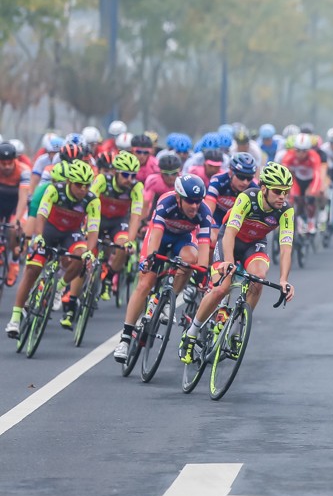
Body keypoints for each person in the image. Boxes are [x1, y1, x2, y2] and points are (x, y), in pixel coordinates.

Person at [178, 163, 295, 363]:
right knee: (221, 288)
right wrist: (229, 263)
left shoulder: (286, 211)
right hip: (230, 240)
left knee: (258, 279)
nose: (282, 196)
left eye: (286, 191)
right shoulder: (247, 198)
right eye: (277, 191)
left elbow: (285, 248)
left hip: (254, 244)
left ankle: (236, 330)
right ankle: (191, 333)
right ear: (264, 188)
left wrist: (284, 280)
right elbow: (230, 233)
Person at [112, 174, 214, 362]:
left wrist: (203, 273)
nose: (194, 206)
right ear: (178, 197)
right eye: (189, 201)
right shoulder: (166, 202)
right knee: (145, 283)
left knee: (191, 260)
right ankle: (125, 338)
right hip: (160, 237)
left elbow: (204, 244)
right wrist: (150, 259)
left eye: (197, 201)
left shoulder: (204, 211)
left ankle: (169, 300)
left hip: (182, 239)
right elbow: (156, 232)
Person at [6, 160, 100, 335]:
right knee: (32, 270)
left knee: (80, 257)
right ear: (70, 182)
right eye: (79, 185)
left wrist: (89, 251)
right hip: (48, 230)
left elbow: (93, 228)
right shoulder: (54, 190)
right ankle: (15, 318)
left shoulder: (92, 200)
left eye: (87, 185)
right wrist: (39, 236)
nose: (83, 189)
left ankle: (59, 288)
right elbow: (41, 215)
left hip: (71, 234)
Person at [89, 151, 144, 300]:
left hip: (118, 223)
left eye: (133, 175)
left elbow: (135, 216)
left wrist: (131, 241)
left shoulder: (136, 187)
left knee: (124, 246)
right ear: (115, 172)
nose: (130, 179)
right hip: (97, 219)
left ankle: (109, 277)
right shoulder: (102, 179)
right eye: (126, 175)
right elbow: (87, 203)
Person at [0, 142, 31, 286]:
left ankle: (14, 262)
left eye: (9, 163)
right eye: (3, 163)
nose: (6, 167)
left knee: (13, 229)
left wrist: (17, 220)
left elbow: (23, 198)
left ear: (15, 160)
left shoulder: (23, 170)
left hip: (16, 203)